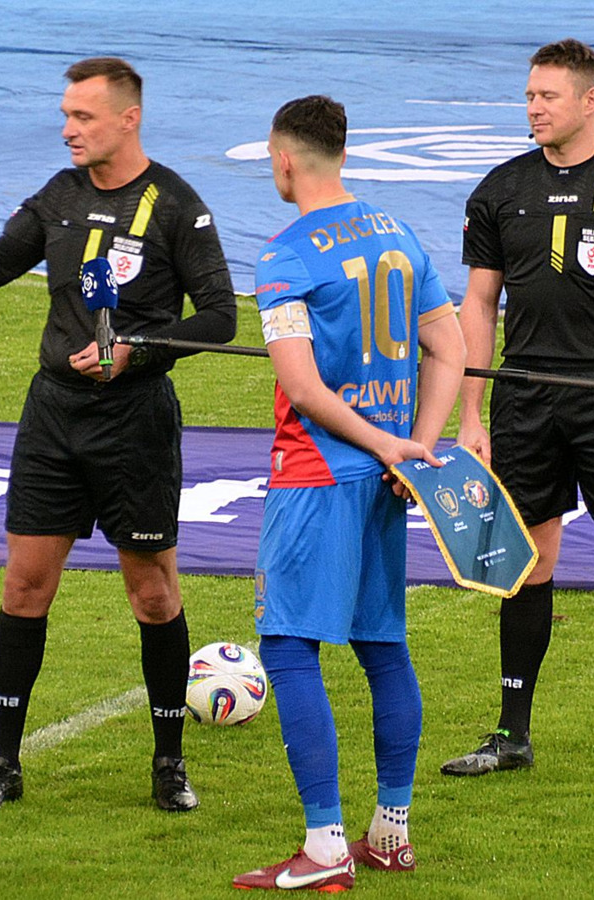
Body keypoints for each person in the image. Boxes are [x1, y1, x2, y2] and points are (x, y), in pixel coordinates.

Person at [0, 57, 236, 812]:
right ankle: (2, 762)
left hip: (135, 423)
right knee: (24, 586)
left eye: (82, 116)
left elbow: (221, 315)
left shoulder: (175, 205)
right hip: (54, 419)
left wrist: (136, 350)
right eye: (66, 114)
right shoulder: (59, 196)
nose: (68, 129)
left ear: (128, 118)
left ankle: (169, 763)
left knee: (154, 594)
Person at [230, 97, 465, 892]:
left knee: (288, 644)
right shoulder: (397, 234)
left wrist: (383, 445)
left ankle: (326, 846)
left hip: (318, 472)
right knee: (382, 644)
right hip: (386, 476)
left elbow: (301, 387)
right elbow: (450, 345)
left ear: (284, 160)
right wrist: (413, 444)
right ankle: (391, 833)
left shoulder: (285, 256)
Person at [443, 38, 594, 792]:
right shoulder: (500, 187)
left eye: (547, 96)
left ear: (591, 101)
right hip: (524, 396)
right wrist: (471, 413)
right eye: (529, 95)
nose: (533, 108)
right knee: (527, 562)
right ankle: (511, 734)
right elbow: (479, 304)